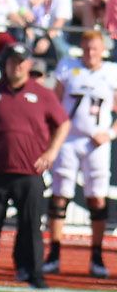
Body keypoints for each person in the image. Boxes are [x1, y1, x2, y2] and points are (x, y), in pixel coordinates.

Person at [0, 43, 69, 289]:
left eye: (21, 61)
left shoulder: (43, 94)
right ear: (6, 64)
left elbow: (63, 123)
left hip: (30, 171)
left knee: (31, 226)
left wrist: (51, 152)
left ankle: (34, 274)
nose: (16, 66)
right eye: (12, 61)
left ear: (29, 64)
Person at [45, 30, 117, 279]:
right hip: (68, 140)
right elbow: (53, 103)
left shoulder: (111, 72)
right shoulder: (68, 67)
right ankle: (53, 253)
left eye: (94, 48)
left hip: (96, 144)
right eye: (86, 48)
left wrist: (110, 133)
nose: (90, 53)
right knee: (59, 196)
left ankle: (96, 255)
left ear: (102, 49)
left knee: (97, 199)